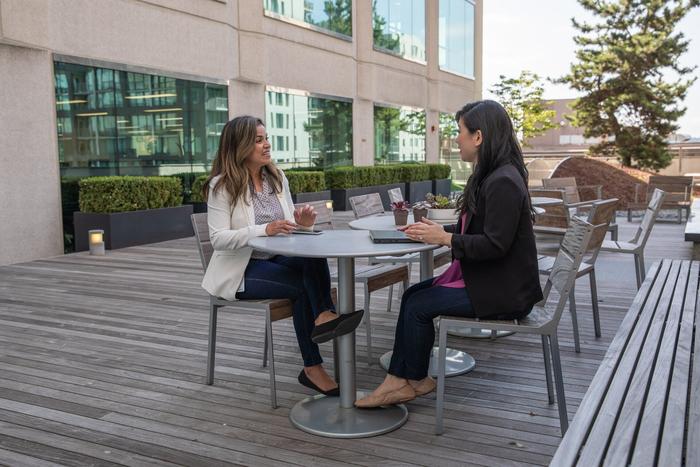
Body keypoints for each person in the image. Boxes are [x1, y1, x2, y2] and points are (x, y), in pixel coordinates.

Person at [356, 100, 543, 408]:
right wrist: (436, 230)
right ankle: (407, 379)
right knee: (414, 295)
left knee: (418, 304)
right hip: (491, 281)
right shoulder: (495, 176)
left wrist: (445, 238)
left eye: (460, 132)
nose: (456, 139)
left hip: (505, 293)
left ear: (478, 137)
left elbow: (495, 245)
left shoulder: (503, 181)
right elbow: (480, 227)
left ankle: (404, 381)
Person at [201, 115, 363, 397]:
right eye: (259, 140)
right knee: (302, 288)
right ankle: (313, 365)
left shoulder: (276, 178)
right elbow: (218, 240)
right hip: (242, 269)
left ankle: (324, 315)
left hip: (277, 258)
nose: (267, 145)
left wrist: (303, 224)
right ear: (239, 146)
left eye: (266, 138)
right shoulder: (222, 186)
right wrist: (264, 228)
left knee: (314, 252)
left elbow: (289, 228)